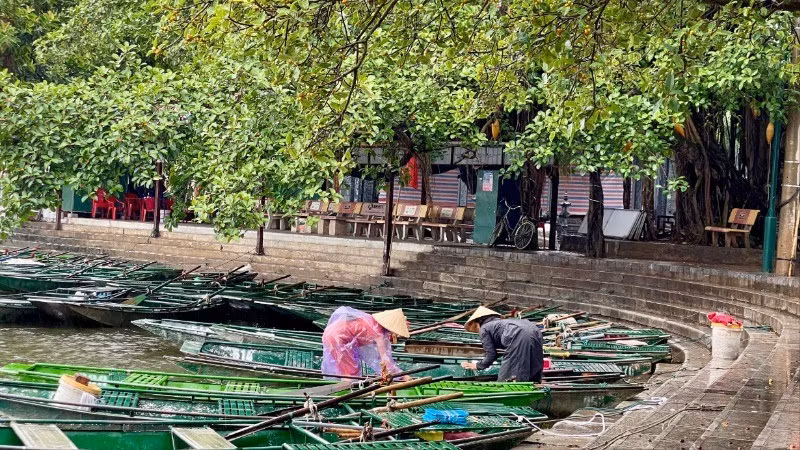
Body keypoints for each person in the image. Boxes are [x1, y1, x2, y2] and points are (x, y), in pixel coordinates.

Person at [321, 306, 411, 380]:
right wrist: (402, 376)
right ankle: (348, 395)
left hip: (332, 333)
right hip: (337, 337)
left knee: (349, 369)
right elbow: (385, 360)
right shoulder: (378, 333)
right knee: (350, 372)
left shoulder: (372, 321)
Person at [460, 306, 544, 382]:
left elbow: (491, 355)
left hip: (518, 335)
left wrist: (478, 365)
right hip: (535, 331)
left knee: (507, 379)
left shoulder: (484, 328)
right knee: (532, 375)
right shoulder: (502, 323)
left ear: (477, 322)